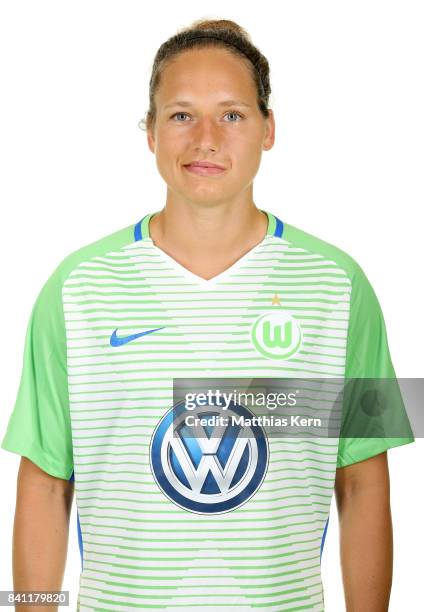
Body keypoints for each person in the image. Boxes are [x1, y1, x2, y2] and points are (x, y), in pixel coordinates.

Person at [1, 17, 414, 612]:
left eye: (232, 114)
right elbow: (43, 482)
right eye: (180, 114)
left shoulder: (339, 285)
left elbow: (364, 480)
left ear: (269, 129)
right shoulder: (76, 288)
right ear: (149, 132)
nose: (205, 139)